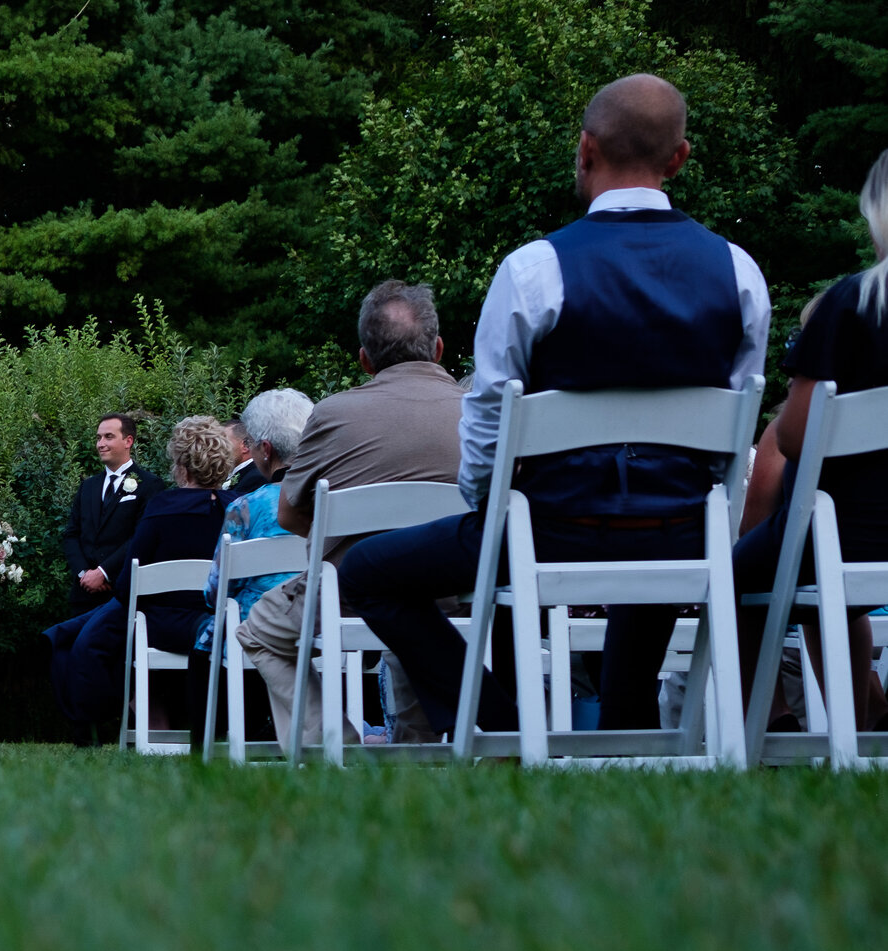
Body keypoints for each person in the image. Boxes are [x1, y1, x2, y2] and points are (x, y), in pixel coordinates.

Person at [340, 74, 771, 739]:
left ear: (585, 148)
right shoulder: (739, 272)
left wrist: (490, 511)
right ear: (679, 158)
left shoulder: (533, 270)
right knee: (648, 541)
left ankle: (501, 725)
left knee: (367, 571)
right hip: (682, 529)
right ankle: (622, 727)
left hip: (548, 526)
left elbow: (487, 417)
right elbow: (735, 423)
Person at [238, 279, 466, 745]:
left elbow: (289, 515)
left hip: (348, 595)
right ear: (438, 348)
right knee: (414, 615)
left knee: (258, 630)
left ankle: (333, 745)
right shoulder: (482, 411)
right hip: (461, 591)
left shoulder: (334, 414)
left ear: (364, 359)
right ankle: (414, 749)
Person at [730, 147, 888, 733]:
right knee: (830, 593)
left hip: (838, 530)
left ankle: (766, 725)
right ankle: (863, 718)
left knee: (738, 579)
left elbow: (795, 435)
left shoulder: (851, 303)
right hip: (845, 542)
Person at [46, 416, 238, 744]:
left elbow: (129, 582)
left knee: (83, 642)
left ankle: (91, 726)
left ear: (182, 465)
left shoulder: (163, 504)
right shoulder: (236, 507)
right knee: (81, 629)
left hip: (158, 620)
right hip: (220, 617)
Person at [189, 387, 313, 737]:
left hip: (257, 627)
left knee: (205, 637)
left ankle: (208, 747)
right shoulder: (331, 498)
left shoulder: (245, 507)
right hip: (323, 618)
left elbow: (216, 591)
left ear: (266, 450)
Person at [59, 413, 159, 619]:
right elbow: (71, 534)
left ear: (128, 441)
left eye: (108, 437)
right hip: (83, 594)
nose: (101, 444)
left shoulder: (149, 485)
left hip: (121, 593)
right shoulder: (88, 486)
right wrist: (84, 574)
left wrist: (103, 573)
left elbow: (141, 537)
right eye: (98, 438)